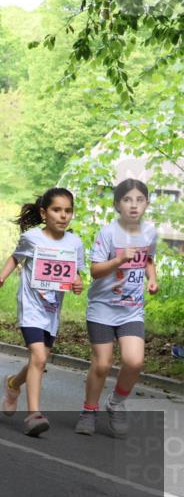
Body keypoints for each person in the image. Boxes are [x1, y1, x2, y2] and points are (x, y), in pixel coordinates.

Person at [0, 187, 85, 437]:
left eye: (68, 211)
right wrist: (1, 277)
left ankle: (13, 384)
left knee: (38, 359)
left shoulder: (75, 243)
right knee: (39, 359)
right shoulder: (32, 238)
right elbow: (15, 258)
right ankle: (34, 414)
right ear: (44, 213)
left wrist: (78, 282)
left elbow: (77, 273)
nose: (63, 215)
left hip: (52, 311)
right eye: (57, 210)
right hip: (31, 307)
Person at [76, 179, 159, 437]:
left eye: (139, 200)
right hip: (102, 308)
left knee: (134, 362)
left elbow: (148, 260)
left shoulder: (150, 232)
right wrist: (119, 259)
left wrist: (152, 278)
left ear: (146, 204)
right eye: (127, 200)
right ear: (117, 204)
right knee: (102, 364)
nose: (134, 205)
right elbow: (95, 271)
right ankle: (89, 411)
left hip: (131, 310)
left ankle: (115, 403)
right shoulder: (108, 233)